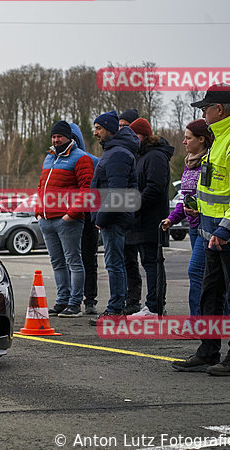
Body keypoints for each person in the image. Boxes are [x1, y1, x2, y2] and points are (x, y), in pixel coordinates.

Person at [172, 84, 230, 376]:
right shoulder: (219, 140)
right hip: (211, 235)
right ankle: (208, 351)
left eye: (205, 108)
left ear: (219, 110)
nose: (203, 112)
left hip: (229, 236)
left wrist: (224, 230)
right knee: (210, 294)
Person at [38, 121, 95, 318]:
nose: (56, 140)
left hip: (67, 221)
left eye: (59, 136)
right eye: (53, 136)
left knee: (74, 262)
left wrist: (72, 213)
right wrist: (38, 210)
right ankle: (62, 301)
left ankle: (75, 303)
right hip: (47, 220)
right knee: (57, 263)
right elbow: (41, 186)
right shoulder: (49, 157)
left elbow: (87, 190)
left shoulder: (81, 158)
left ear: (69, 137)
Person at [88, 111, 139, 325]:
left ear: (109, 129)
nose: (95, 132)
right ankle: (115, 308)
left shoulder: (117, 154)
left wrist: (101, 217)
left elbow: (116, 192)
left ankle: (115, 310)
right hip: (112, 218)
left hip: (113, 219)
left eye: (99, 128)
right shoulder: (113, 151)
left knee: (115, 264)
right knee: (115, 263)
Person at [122, 118, 173, 317]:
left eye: (135, 135)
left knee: (152, 263)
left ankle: (155, 306)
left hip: (151, 220)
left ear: (143, 136)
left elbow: (154, 187)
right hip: (140, 220)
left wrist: (135, 206)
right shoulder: (141, 156)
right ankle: (153, 304)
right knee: (148, 262)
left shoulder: (155, 157)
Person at [161, 119, 211, 319]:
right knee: (209, 275)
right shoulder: (189, 162)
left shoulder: (209, 162)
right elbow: (183, 197)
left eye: (188, 138)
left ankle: (197, 321)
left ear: (201, 139)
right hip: (192, 227)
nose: (184, 142)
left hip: (207, 226)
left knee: (196, 272)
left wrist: (199, 208)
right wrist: (172, 219)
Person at [70, 122, 101, 315]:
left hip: (88, 216)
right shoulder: (58, 161)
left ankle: (89, 299)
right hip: (69, 217)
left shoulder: (92, 161)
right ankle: (70, 298)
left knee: (88, 259)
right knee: (70, 260)